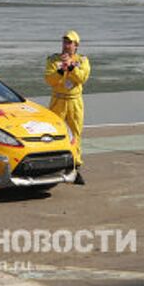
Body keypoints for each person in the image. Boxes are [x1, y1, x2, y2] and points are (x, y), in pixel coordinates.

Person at [45, 30, 90, 185]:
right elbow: (49, 79)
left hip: (74, 102)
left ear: (76, 45)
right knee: (53, 133)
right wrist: (61, 70)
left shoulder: (82, 60)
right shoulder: (53, 59)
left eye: (70, 43)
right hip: (58, 101)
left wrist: (71, 67)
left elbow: (82, 78)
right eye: (64, 42)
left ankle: (75, 168)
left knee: (75, 134)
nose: (66, 45)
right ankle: (51, 166)